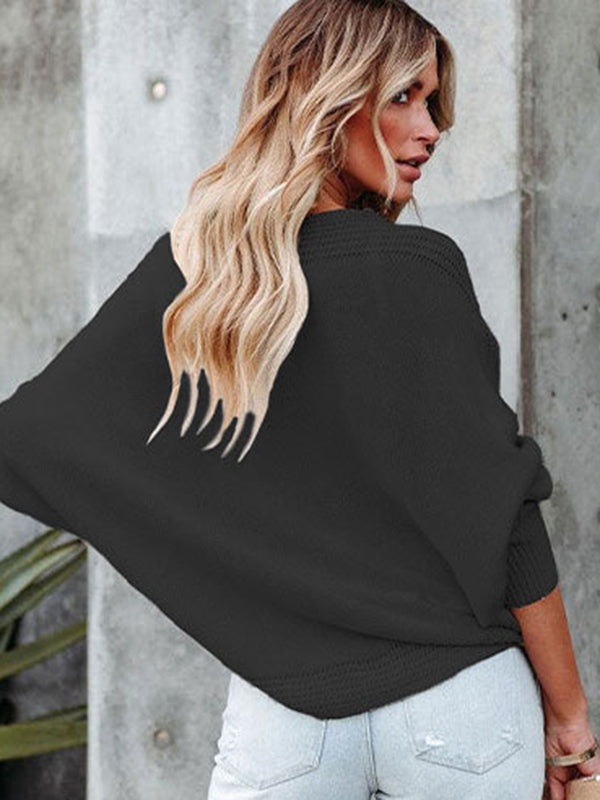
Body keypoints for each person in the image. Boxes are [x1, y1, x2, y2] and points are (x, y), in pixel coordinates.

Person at [0, 2, 597, 799]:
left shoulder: (200, 279)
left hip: (286, 719)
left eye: (431, 104)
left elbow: (33, 437)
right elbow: (506, 516)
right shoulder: (418, 271)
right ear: (330, 96)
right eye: (404, 97)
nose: (430, 130)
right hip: (461, 711)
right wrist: (570, 720)